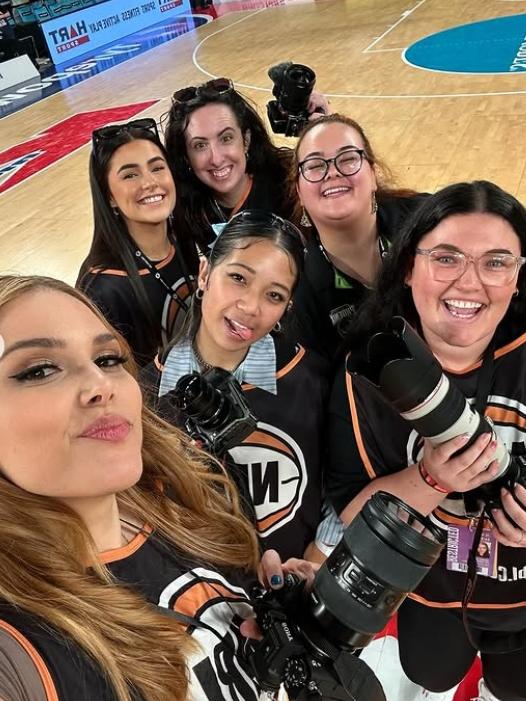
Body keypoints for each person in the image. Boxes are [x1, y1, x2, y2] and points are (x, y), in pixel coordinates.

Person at [0, 274, 315, 701]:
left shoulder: (181, 497)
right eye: (39, 369)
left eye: (108, 359)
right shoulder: (17, 648)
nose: (100, 386)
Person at [325, 181, 526, 701]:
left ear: (519, 277)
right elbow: (352, 511)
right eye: (446, 257)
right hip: (428, 593)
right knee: (429, 676)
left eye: (497, 262)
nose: (470, 282)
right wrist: (432, 477)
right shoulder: (365, 371)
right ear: (409, 266)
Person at [143, 210, 328, 561]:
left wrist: (315, 563)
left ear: (287, 306)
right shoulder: (143, 397)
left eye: (273, 295)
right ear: (204, 274)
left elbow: (340, 486)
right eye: (238, 278)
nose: (249, 307)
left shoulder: (312, 378)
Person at [290, 113, 427, 359]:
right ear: (299, 191)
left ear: (373, 174)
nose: (332, 172)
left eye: (348, 158)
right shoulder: (298, 288)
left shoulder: (427, 220)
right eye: (314, 165)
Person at [77, 118, 199, 366]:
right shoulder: (103, 287)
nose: (149, 182)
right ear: (109, 196)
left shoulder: (185, 242)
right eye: (130, 175)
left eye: (157, 168)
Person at [163, 77, 329, 254]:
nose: (216, 159)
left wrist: (327, 135)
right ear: (186, 156)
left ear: (246, 140)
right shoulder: (183, 208)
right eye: (200, 145)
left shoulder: (291, 180)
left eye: (226, 138)